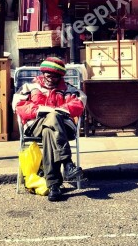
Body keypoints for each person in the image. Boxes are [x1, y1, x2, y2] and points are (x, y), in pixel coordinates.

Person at [14, 57, 85, 202]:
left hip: (63, 127)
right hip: (35, 124)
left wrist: (58, 111)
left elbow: (79, 105)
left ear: (60, 76)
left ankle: (53, 186)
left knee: (49, 130)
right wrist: (38, 110)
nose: (51, 79)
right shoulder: (29, 87)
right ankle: (67, 164)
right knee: (51, 120)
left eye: (55, 76)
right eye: (48, 75)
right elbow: (19, 106)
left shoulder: (69, 89)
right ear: (43, 73)